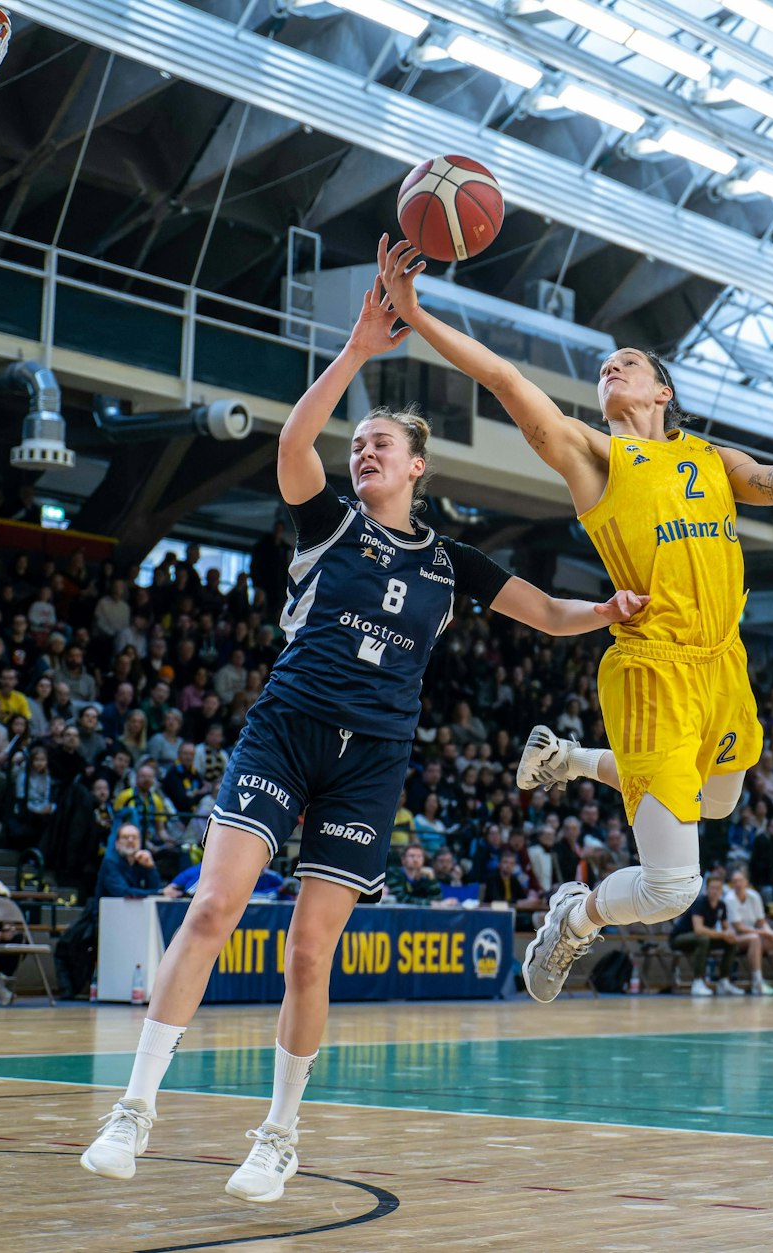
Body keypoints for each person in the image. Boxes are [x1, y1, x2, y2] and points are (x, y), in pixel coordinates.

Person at [79, 273, 647, 1202]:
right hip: (286, 731)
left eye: (379, 442)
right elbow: (296, 440)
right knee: (214, 909)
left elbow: (544, 610)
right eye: (360, 445)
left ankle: (278, 1133)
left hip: (373, 760)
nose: (362, 453)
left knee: (310, 951)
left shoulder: (451, 563)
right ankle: (133, 1110)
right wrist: (355, 353)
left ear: (417, 465)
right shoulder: (326, 522)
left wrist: (608, 609)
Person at [375, 239, 773, 1004]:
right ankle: (575, 914)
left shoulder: (710, 460)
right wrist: (417, 312)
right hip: (654, 668)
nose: (611, 368)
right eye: (605, 367)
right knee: (671, 887)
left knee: (721, 799)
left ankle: (568, 759)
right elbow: (502, 377)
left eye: (628, 362)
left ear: (663, 391)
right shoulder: (594, 457)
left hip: (722, 663)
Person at [670, 872, 739, 996]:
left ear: (722, 890)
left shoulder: (721, 905)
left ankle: (724, 981)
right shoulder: (700, 902)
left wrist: (730, 934)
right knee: (703, 939)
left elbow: (726, 928)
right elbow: (699, 929)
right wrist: (723, 934)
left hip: (702, 939)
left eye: (718, 888)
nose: (715, 891)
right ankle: (697, 982)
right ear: (707, 889)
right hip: (679, 938)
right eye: (712, 888)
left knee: (732, 942)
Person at [723, 869, 773, 996]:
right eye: (735, 881)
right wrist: (764, 933)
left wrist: (769, 932)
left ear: (746, 882)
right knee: (755, 939)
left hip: (756, 935)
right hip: (734, 938)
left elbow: (761, 921)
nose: (738, 884)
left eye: (740, 881)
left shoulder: (754, 896)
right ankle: (757, 983)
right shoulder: (729, 899)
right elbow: (739, 927)